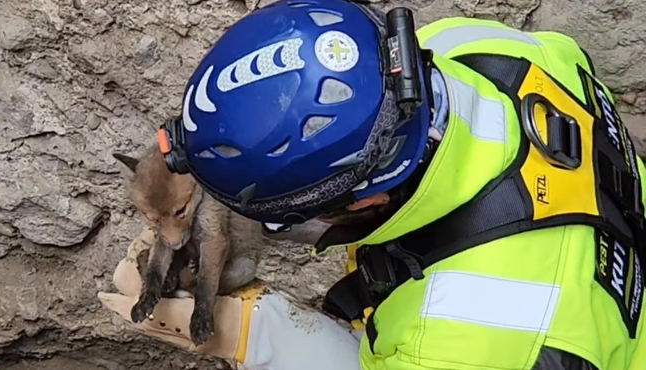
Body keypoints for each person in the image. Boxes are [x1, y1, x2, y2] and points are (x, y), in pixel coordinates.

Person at [98, 0, 646, 368]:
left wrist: (257, 333)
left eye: (277, 220)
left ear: (370, 200)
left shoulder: (463, 339)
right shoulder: (474, 46)